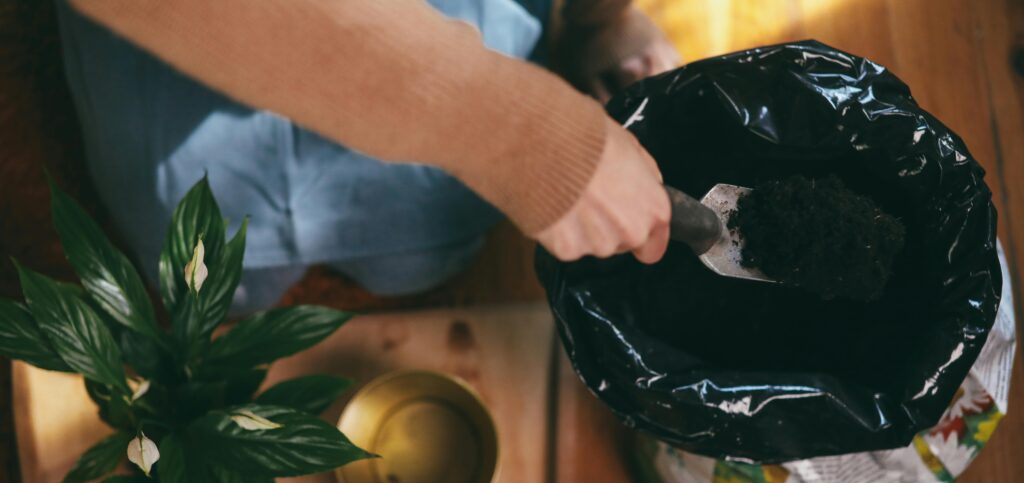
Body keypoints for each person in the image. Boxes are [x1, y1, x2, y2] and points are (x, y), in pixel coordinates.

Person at [57, 0, 679, 311]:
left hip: (456, 113)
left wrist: (604, 18)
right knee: (217, 284)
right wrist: (515, 134)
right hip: (178, 89)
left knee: (414, 255)